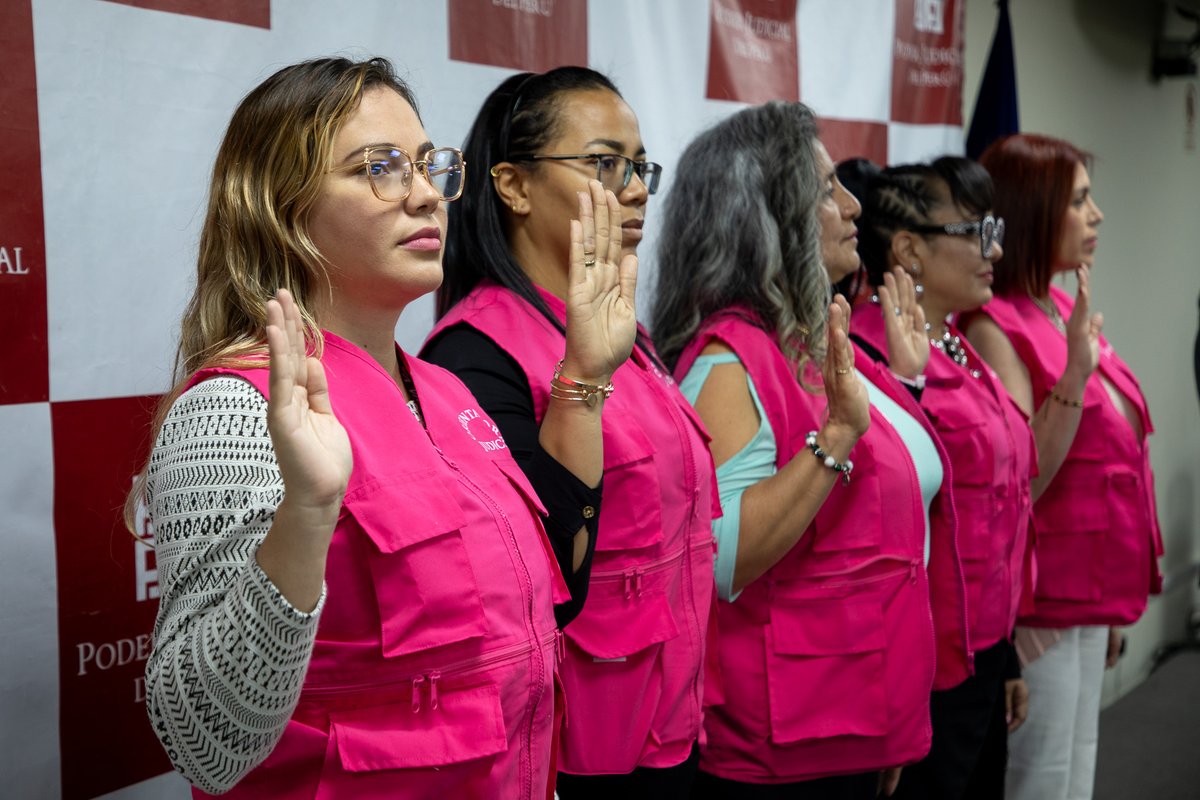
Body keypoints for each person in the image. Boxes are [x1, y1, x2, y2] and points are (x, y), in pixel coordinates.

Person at [133, 56, 638, 798]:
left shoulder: (442, 391)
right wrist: (305, 516)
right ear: (282, 205)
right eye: (382, 168)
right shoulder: (232, 409)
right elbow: (203, 742)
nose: (428, 195)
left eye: (429, 166)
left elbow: (546, 608)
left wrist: (586, 374)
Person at [651, 101, 969, 800]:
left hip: (855, 721)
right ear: (767, 217)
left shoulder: (815, 340)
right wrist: (835, 441)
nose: (853, 205)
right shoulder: (729, 363)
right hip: (784, 751)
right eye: (826, 190)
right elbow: (722, 560)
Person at [422, 67, 715, 797]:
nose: (638, 187)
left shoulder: (631, 338)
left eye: (640, 165)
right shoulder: (473, 356)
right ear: (514, 186)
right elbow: (534, 577)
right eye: (605, 162)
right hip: (573, 753)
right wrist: (582, 380)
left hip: (674, 729)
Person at [962, 133, 1163, 800]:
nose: (1097, 215)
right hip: (1037, 607)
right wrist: (1076, 370)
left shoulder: (1059, 305)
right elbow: (1021, 481)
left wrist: (1106, 607)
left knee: (1076, 774)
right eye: (1080, 201)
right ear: (1033, 213)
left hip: (1085, 594)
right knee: (1039, 783)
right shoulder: (994, 325)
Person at [841, 156, 1038, 799]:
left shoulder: (960, 343)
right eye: (977, 232)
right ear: (909, 250)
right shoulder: (870, 354)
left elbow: (1004, 506)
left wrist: (1005, 655)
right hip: (923, 667)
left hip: (981, 652)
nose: (996, 249)